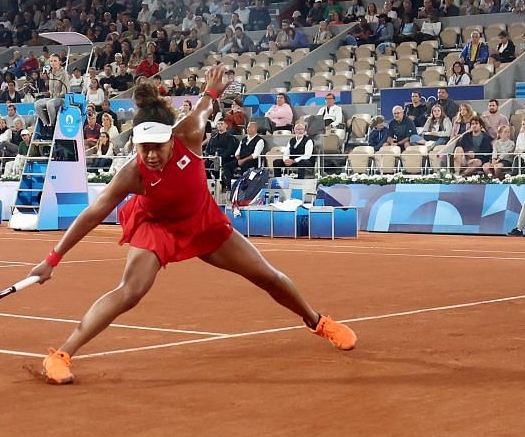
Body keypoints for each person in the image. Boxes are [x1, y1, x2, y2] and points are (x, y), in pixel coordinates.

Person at [27, 69, 355, 384]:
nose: (152, 154)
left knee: (267, 275)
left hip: (203, 222)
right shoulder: (132, 172)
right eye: (144, 147)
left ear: (172, 137)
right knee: (131, 291)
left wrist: (213, 90)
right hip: (158, 227)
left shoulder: (190, 133)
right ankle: (62, 354)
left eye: (158, 146)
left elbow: (205, 104)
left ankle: (317, 321)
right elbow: (92, 214)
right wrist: (52, 259)